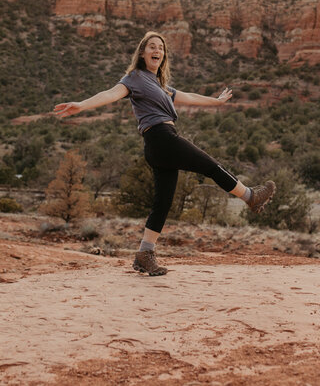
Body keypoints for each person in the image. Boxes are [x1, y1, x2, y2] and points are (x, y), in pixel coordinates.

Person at [54, 31, 275, 276]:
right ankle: (250, 197)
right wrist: (81, 105)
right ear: (142, 52)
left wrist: (216, 102)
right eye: (151, 46)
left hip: (157, 145)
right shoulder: (134, 78)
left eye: (160, 47)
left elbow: (188, 96)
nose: (156, 50)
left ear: (163, 56)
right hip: (162, 139)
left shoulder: (160, 85)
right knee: (211, 166)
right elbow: (110, 94)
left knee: (162, 203)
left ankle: (144, 255)